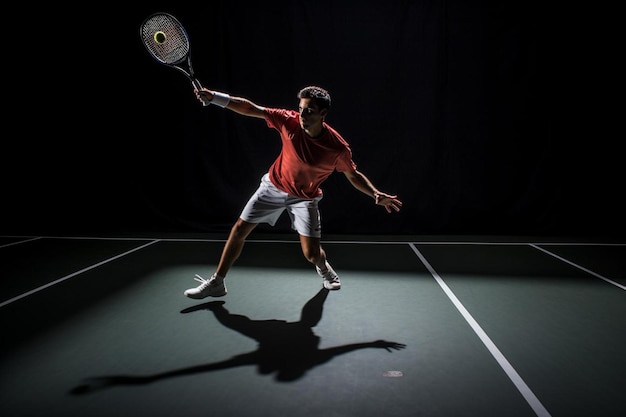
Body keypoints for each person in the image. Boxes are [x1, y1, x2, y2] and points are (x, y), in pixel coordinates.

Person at [184, 86, 402, 299]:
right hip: (273, 186)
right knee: (239, 229)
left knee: (312, 254)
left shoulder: (337, 147)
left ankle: (324, 268)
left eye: (309, 110)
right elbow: (252, 108)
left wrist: (374, 192)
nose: (302, 115)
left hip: (305, 198)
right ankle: (217, 282)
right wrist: (215, 98)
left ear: (323, 114)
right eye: (301, 108)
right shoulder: (288, 120)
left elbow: (353, 175)